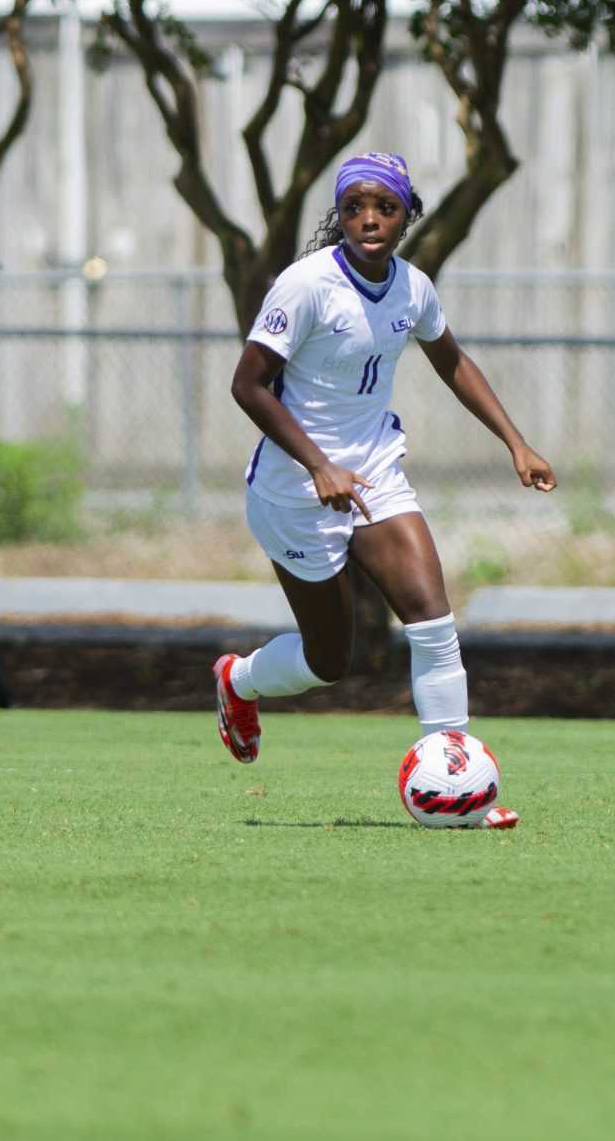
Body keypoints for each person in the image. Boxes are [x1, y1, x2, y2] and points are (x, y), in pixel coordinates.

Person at [212, 152, 552, 826]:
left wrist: (516, 442)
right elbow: (246, 384)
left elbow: (451, 359)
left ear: (406, 215)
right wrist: (317, 465)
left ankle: (460, 790)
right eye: (355, 206)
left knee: (433, 622)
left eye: (385, 207)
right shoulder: (305, 285)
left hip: (376, 473)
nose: (369, 218)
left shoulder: (413, 287)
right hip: (292, 491)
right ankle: (238, 679)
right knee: (329, 660)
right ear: (339, 214)